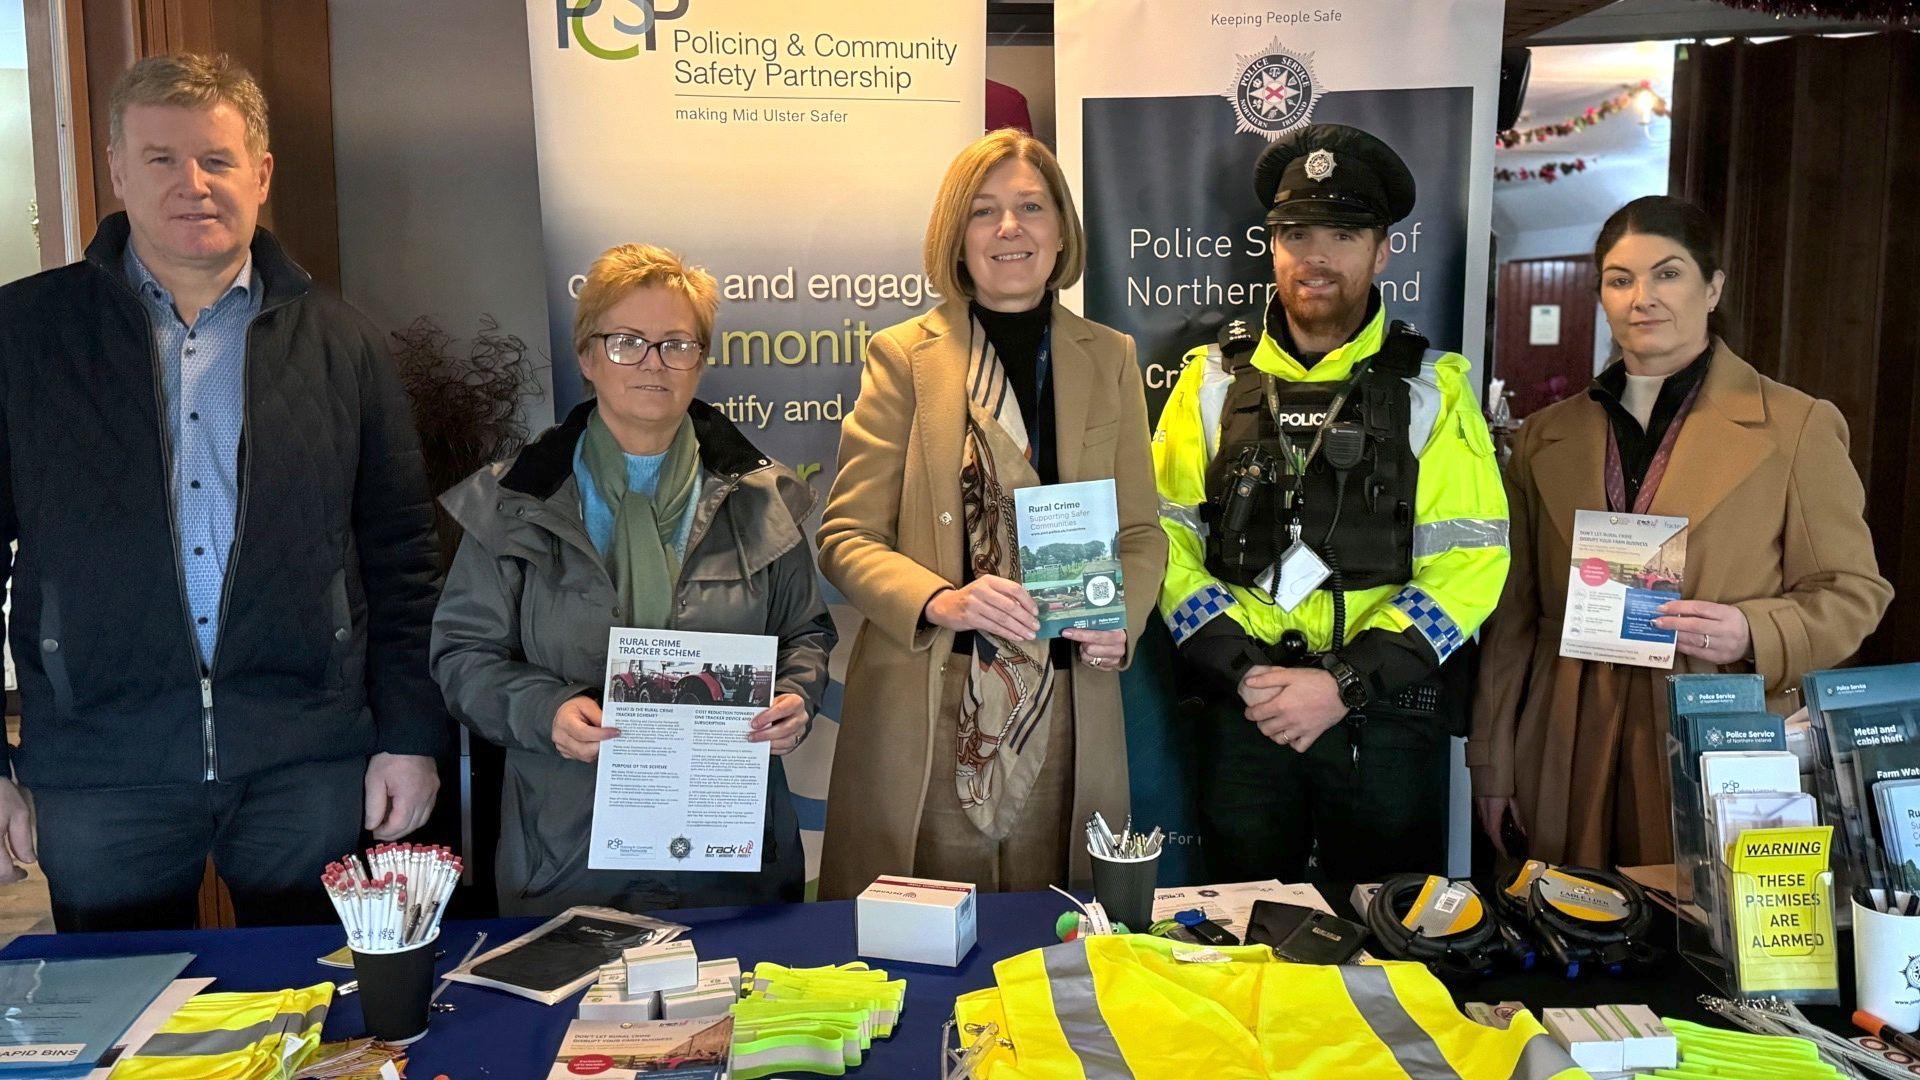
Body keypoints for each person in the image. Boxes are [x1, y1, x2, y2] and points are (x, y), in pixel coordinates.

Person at [0, 53, 444, 931]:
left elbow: (403, 563)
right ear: (118, 171)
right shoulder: (23, 336)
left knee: (318, 1020)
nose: (191, 184)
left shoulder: (344, 342)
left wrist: (410, 737)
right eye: (160, 159)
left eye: (216, 159)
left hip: (305, 757)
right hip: (99, 765)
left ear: (261, 174)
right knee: (126, 1034)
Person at [1470, 195, 1892, 867]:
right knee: (1564, 934)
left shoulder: (1796, 425)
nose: (1644, 297)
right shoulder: (1546, 436)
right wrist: (1491, 764)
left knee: (1699, 943)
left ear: (1713, 286)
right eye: (1620, 278)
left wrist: (1754, 630)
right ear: (1601, 295)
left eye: (1667, 274)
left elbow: (1853, 592)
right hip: (1563, 730)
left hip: (1713, 720)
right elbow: (1512, 615)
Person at [431, 243, 834, 916]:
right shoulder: (514, 502)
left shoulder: (764, 499)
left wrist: (796, 695)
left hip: (729, 856)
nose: (653, 362)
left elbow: (805, 633)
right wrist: (545, 711)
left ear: (701, 361)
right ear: (587, 357)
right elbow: (462, 656)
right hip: (567, 857)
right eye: (627, 342)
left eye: (676, 343)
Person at [1154, 124, 1510, 883]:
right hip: (1246, 709)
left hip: (1383, 719)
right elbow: (1163, 541)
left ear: (1382, 252)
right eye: (1296, 234)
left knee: (1388, 949)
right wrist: (1244, 673)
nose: (1315, 256)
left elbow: (1472, 561)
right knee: (1240, 942)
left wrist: (1342, 684)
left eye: (1343, 234)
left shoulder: (1434, 388)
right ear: (1272, 247)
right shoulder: (1210, 379)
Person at [816, 129, 1165, 899]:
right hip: (937, 695)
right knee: (928, 937)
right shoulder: (902, 357)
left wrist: (1123, 617)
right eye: (984, 212)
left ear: (1062, 229)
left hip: (1068, 693)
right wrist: (943, 599)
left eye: (1030, 207)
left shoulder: (1107, 355)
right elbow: (844, 538)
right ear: (956, 237)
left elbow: (1141, 532)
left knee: (1056, 927)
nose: (1011, 229)